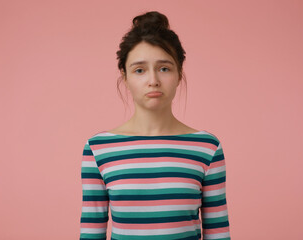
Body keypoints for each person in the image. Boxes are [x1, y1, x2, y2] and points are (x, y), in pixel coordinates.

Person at [79, 11, 231, 240]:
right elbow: (91, 234)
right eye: (139, 70)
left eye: (164, 68)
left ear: (180, 73)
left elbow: (218, 233)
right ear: (125, 76)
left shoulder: (207, 148)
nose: (153, 80)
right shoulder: (97, 149)